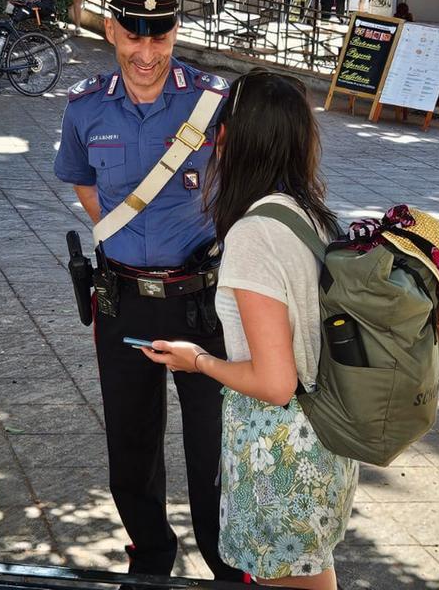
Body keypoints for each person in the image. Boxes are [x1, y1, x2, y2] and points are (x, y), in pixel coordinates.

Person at [52, 0, 244, 584]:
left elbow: (246, 180)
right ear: (111, 31)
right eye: (134, 37)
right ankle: (151, 550)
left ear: (175, 31)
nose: (147, 53)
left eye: (160, 37)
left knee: (211, 448)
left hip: (202, 304)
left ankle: (225, 560)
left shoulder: (213, 102)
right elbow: (82, 177)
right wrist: (116, 228)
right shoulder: (84, 108)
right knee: (131, 445)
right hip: (124, 300)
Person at [141, 70, 358, 590]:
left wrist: (198, 361)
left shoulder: (255, 235)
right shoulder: (311, 216)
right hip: (323, 444)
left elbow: (275, 381)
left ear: (231, 141)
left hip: (283, 454)